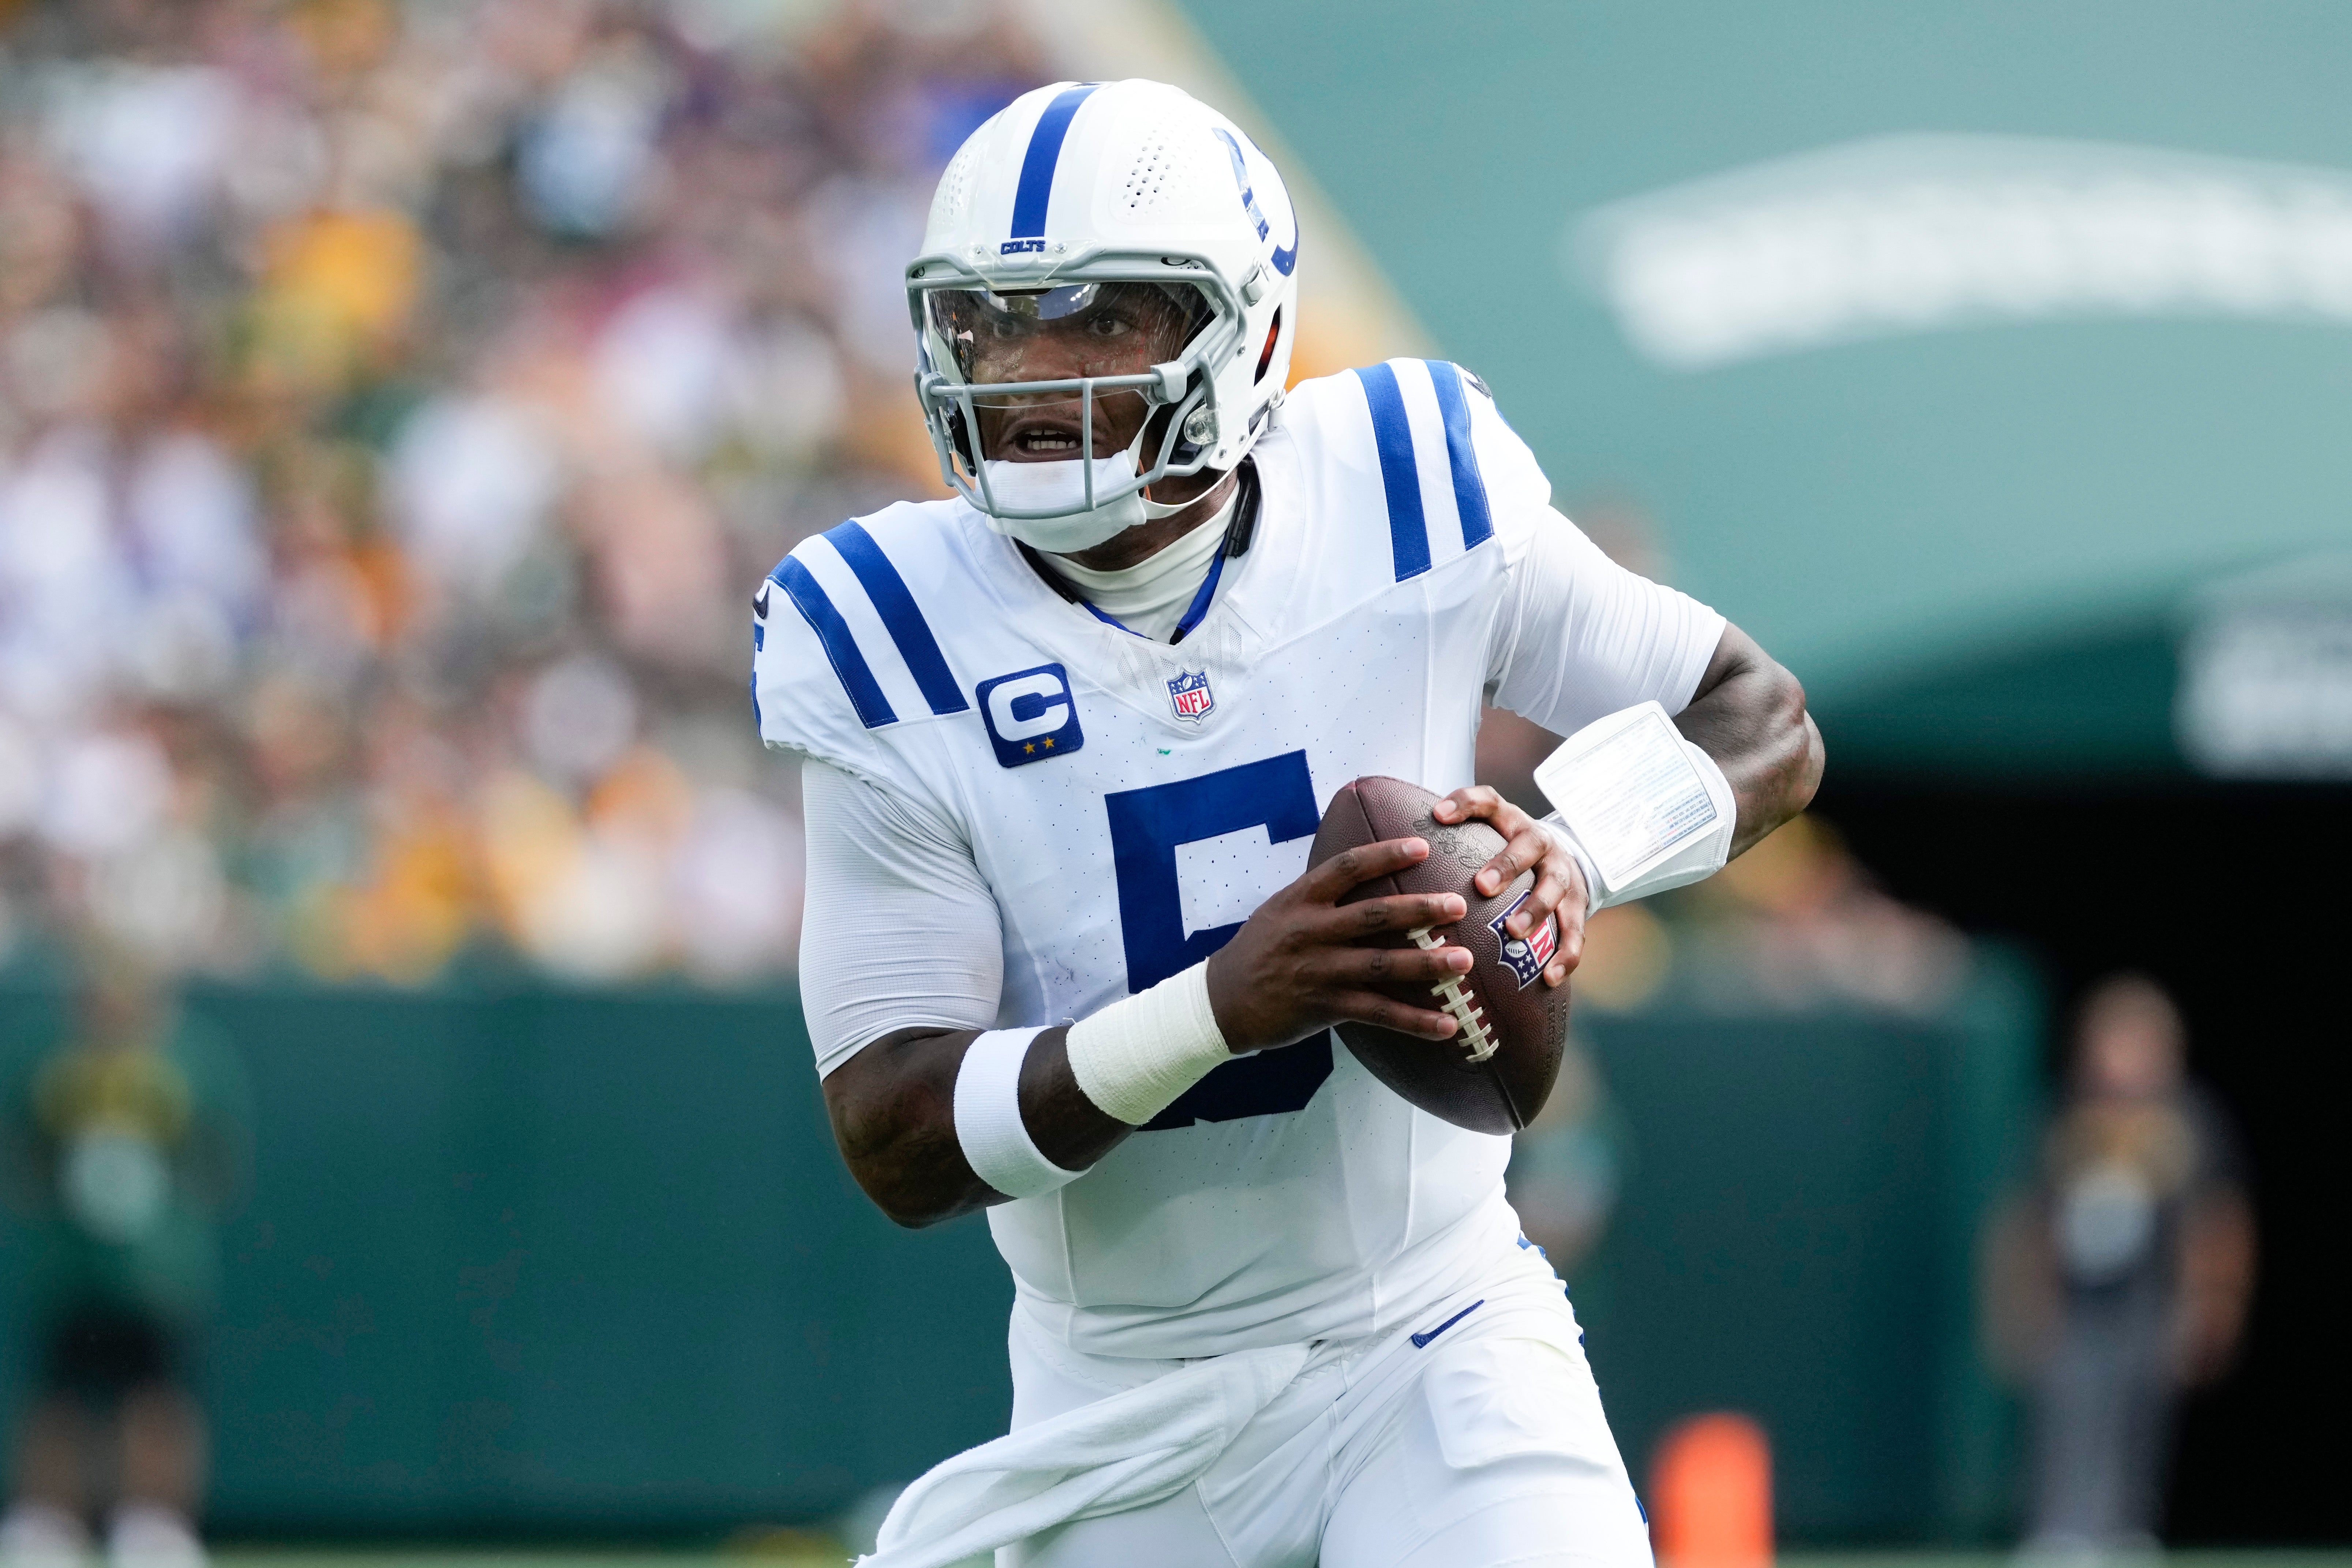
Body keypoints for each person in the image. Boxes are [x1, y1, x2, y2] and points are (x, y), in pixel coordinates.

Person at [751, 79, 1822, 1568]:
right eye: (992, 323)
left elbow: (1758, 714)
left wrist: (1570, 851)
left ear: (1245, 334)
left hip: (1429, 1325)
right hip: (1119, 1409)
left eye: (1101, 319)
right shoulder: (878, 631)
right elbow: (896, 1136)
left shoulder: (1404, 483)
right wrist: (1219, 1008)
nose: (1028, 370)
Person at [1982, 975, 2254, 1556]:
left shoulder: (2191, 1119)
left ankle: (2125, 1527)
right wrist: (2022, 1300)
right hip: (2076, 1300)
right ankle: (2059, 1528)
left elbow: (2217, 1219)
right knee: (2067, 1411)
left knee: (2136, 1418)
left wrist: (2213, 1302)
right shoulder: (2062, 1116)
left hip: (2149, 1296)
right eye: (2115, 1040)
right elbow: (2025, 1221)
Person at [0, 950, 250, 1568]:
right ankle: (48, 1522)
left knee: (158, 1397)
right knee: (59, 1397)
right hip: (72, 1265)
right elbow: (23, 1157)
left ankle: (155, 1523)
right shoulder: (52, 1063)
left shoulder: (193, 1062)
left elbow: (217, 1161)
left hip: (158, 1270)